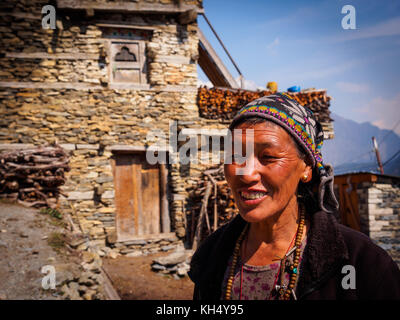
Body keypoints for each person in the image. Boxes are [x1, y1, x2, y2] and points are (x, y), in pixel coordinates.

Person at [188, 93, 400, 300]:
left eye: (268, 157)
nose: (246, 173)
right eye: (235, 156)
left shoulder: (361, 263)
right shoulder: (211, 257)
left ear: (306, 166)